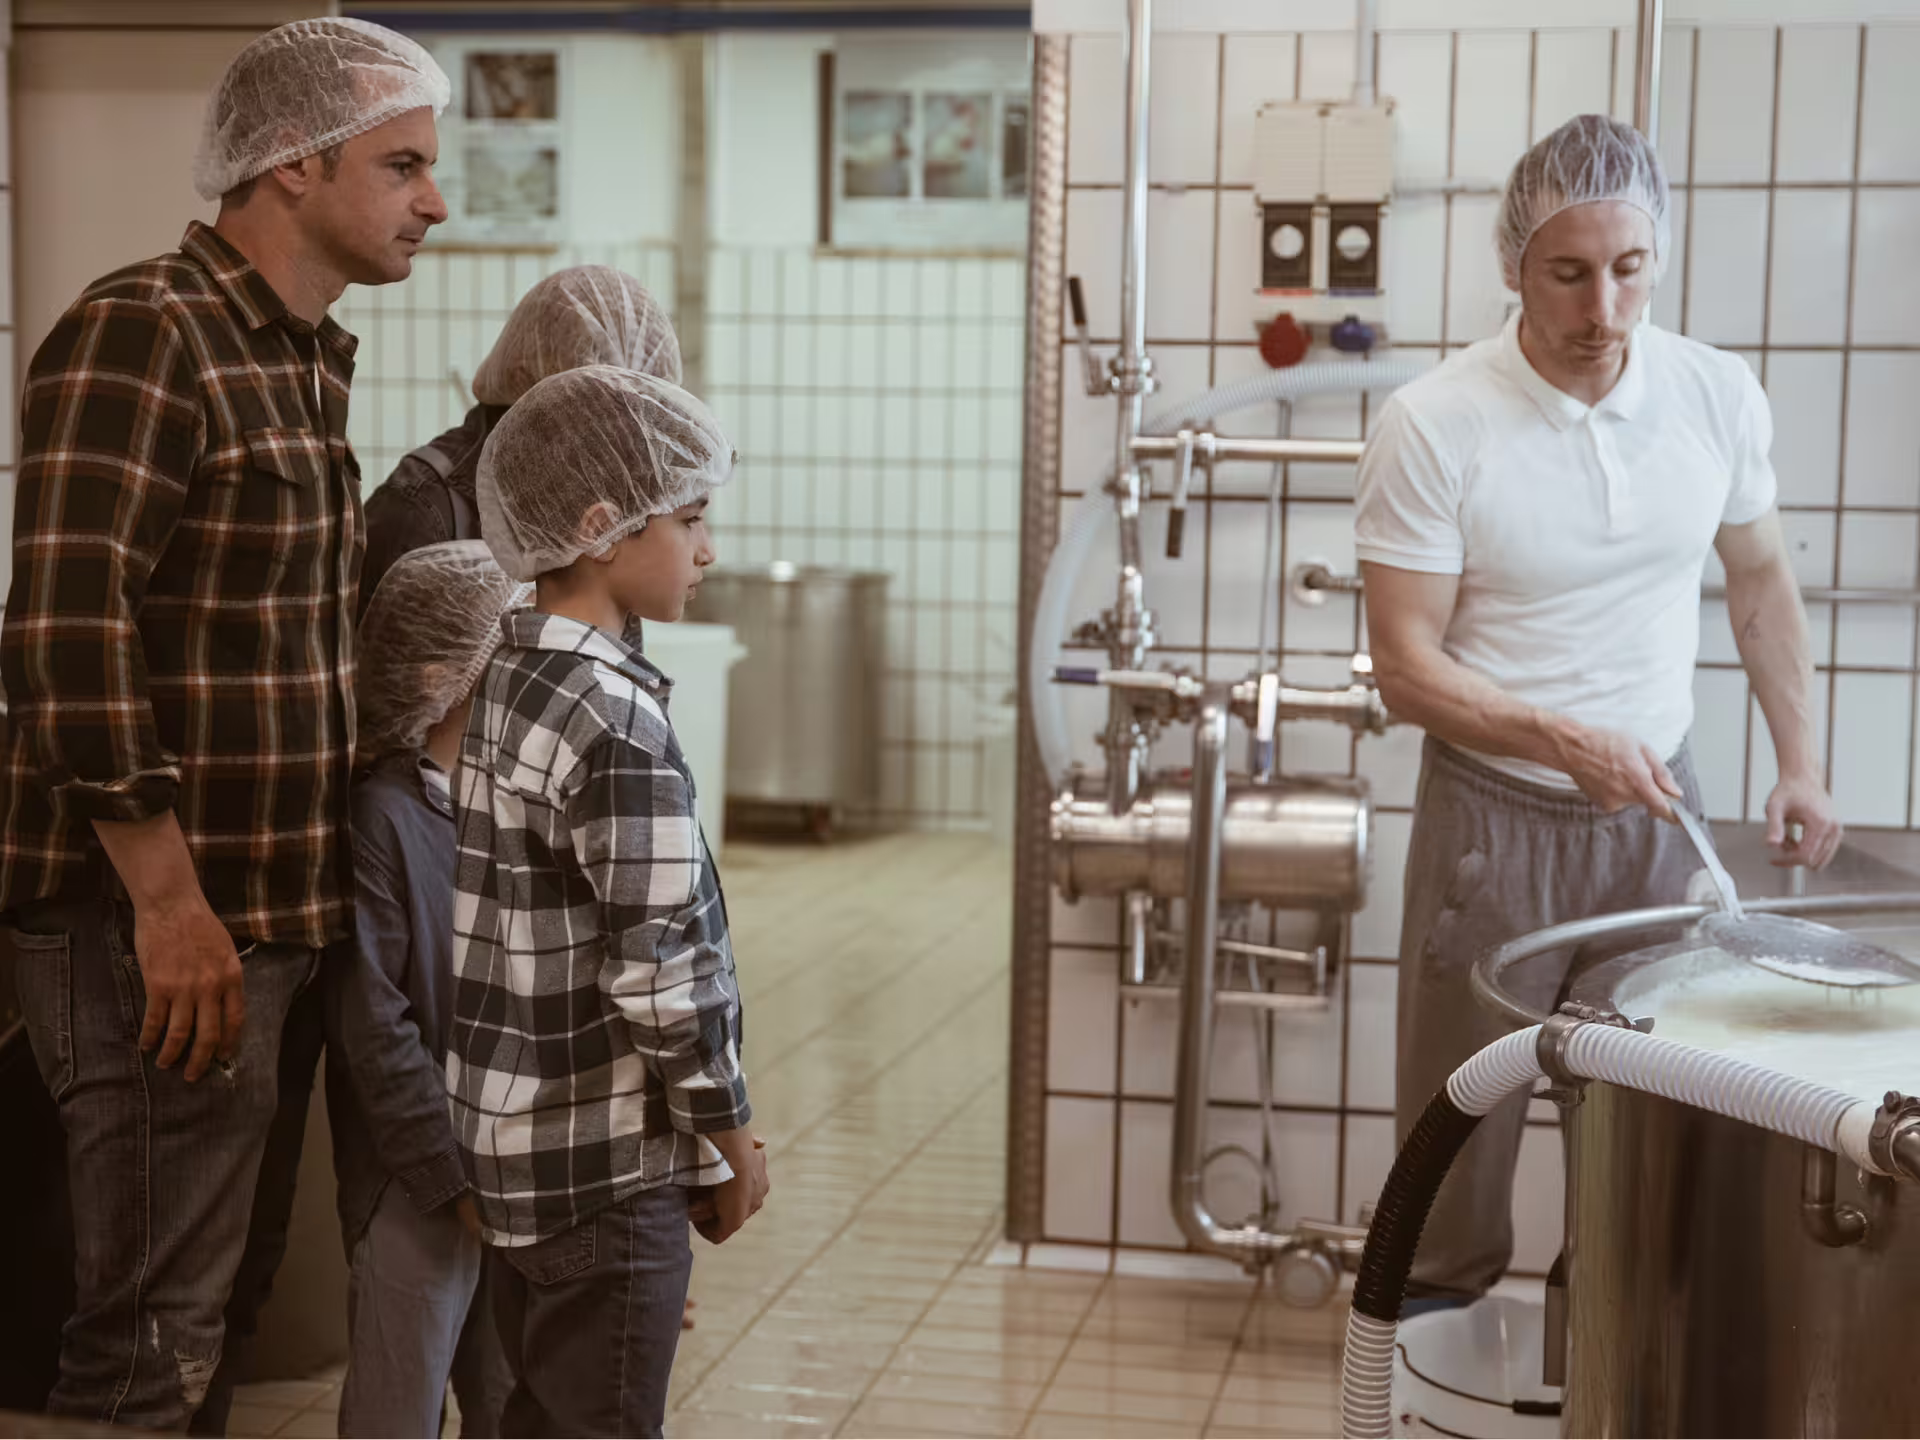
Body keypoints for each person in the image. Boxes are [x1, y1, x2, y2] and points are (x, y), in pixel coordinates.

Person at [0, 19, 448, 1430]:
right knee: (146, 1349)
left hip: (265, 922)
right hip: (152, 930)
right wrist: (170, 902)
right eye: (406, 166)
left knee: (216, 1324)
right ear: (295, 166)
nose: (435, 201)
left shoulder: (303, 361)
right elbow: (69, 630)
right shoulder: (147, 329)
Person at [1355, 114, 1843, 1308]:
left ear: (1658, 258)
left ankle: (1607, 1399)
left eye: (1630, 271)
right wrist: (1556, 737)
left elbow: (1761, 577)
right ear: (1514, 265)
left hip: (1655, 825)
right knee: (1452, 1167)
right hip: (1492, 827)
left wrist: (1800, 762)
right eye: (1569, 273)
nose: (1603, 309)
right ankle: (1415, 1399)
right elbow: (1405, 669)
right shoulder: (1437, 422)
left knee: (1643, 1175)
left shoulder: (1714, 394)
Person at [451, 366, 769, 1438]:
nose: (708, 549)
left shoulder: (506, 676)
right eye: (690, 520)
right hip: (609, 1171)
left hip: (517, 1161)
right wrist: (732, 1138)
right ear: (600, 528)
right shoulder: (615, 724)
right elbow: (665, 970)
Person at [326, 543, 526, 1438]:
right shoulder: (386, 820)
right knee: (398, 1408)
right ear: (446, 680)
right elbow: (376, 1022)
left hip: (516, 1169)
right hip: (416, 1177)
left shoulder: (514, 805)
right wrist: (447, 1174)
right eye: (508, 666)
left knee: (510, 1395)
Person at [358, 264, 683, 610]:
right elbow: (385, 656)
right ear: (535, 377)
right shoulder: (425, 507)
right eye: (603, 407)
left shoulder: (601, 504)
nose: (619, 437)